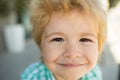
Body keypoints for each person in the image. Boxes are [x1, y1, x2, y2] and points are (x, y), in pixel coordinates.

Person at [21, 0, 107, 80]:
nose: (72, 54)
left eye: (84, 40)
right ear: (41, 44)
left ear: (99, 46)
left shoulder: (95, 74)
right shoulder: (31, 77)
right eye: (58, 39)